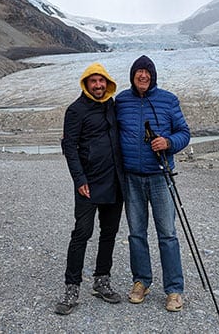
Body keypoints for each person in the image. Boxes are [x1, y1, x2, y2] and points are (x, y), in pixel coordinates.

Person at [115, 55, 191, 312]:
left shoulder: (168, 100)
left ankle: (174, 290)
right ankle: (141, 281)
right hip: (131, 177)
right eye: (139, 72)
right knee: (136, 233)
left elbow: (184, 133)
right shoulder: (122, 101)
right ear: (133, 75)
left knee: (167, 234)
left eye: (147, 72)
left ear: (153, 75)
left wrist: (168, 143)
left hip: (160, 176)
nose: (143, 76)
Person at [56, 62, 125, 315]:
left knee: (109, 232)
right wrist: (79, 180)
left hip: (114, 181)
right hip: (88, 184)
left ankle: (101, 280)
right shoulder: (75, 110)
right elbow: (69, 147)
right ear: (86, 83)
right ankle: (72, 287)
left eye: (101, 81)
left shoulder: (112, 106)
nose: (98, 85)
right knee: (81, 233)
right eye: (93, 81)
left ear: (107, 82)